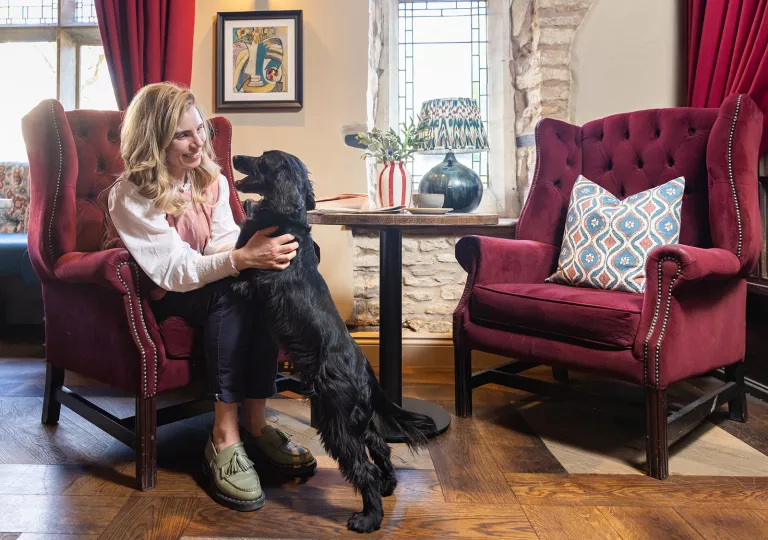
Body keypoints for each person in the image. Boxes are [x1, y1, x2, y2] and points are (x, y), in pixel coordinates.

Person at [105, 81, 316, 512]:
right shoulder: (130, 194)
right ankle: (224, 435)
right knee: (235, 292)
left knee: (260, 285)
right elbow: (175, 270)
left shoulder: (212, 179)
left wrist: (258, 252)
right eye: (183, 135)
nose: (198, 141)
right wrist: (242, 259)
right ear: (153, 140)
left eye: (200, 129)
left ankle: (256, 423)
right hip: (157, 293)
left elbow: (221, 245)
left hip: (204, 279)